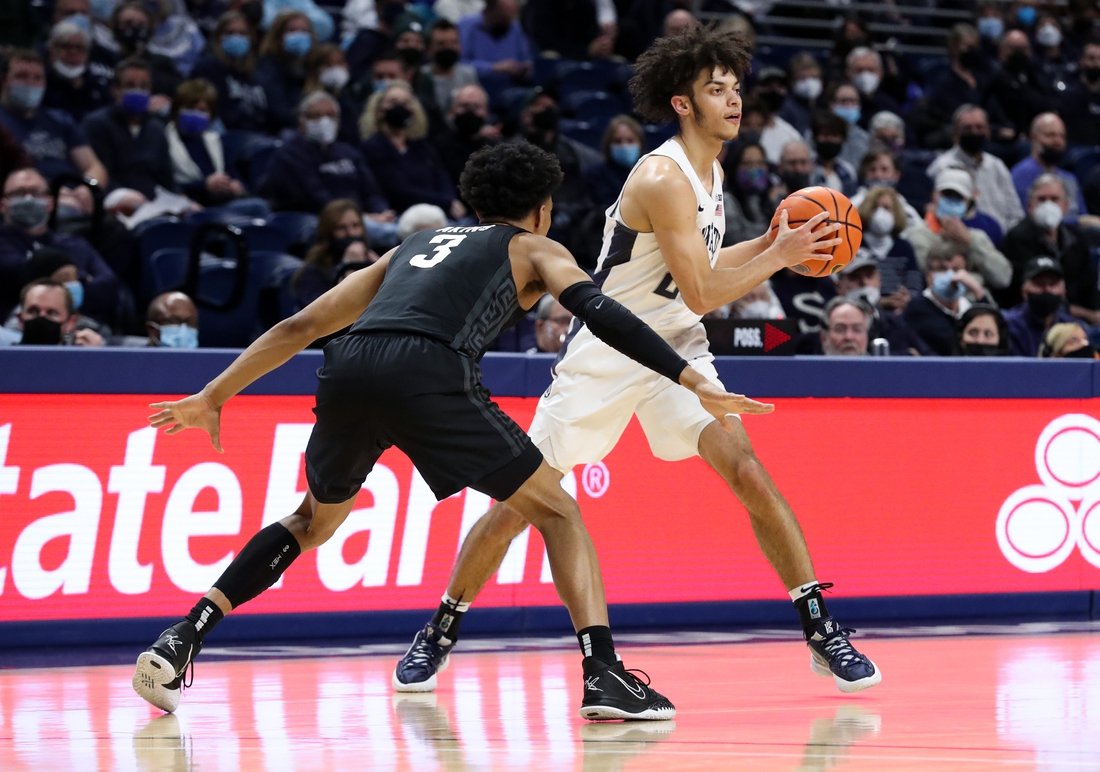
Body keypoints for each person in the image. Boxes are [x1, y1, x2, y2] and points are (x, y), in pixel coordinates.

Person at [132, 141, 770, 720]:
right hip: (429, 371)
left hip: (350, 367)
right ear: (543, 209)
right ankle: (602, 672)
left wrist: (213, 395)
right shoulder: (535, 248)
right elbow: (603, 311)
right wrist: (690, 377)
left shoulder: (414, 245)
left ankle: (182, 636)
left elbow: (300, 327)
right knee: (559, 512)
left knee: (310, 522)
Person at [390, 25, 880, 698]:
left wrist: (769, 242)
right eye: (716, 90)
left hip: (676, 344)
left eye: (735, 88)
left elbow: (697, 274)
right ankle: (442, 626)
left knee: (749, 472)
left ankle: (820, 628)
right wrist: (778, 257)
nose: (733, 100)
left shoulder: (711, 171)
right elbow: (704, 290)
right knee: (519, 504)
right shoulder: (661, 177)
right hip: (610, 348)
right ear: (683, 103)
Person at [0, 168, 120, 323]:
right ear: (3, 205)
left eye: (36, 192)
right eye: (19, 193)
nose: (29, 199)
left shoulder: (74, 244)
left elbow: (109, 286)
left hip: (85, 327)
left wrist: (56, 279)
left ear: (50, 203)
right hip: (17, 327)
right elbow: (14, 279)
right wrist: (80, 280)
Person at [259, 91, 391, 219]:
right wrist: (361, 219)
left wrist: (382, 213)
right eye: (315, 115)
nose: (324, 121)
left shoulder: (349, 152)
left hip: (362, 220)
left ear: (338, 121)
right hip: (318, 221)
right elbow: (315, 198)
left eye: (330, 115)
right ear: (301, 120)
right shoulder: (290, 154)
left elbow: (372, 192)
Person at [0, 49, 109, 189]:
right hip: (24, 194)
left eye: (38, 78)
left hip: (71, 193)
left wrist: (87, 188)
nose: (30, 82)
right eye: (22, 76)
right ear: (4, 80)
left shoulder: (60, 119)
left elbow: (93, 166)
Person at [359, 82, 464, 217]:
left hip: (438, 213)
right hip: (401, 215)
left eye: (406, 103)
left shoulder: (422, 146)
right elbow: (398, 191)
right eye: (393, 102)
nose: (400, 107)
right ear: (379, 111)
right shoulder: (372, 147)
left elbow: (442, 178)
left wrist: (451, 200)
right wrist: (446, 202)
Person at [1001, 174, 1097, 321]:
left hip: (1076, 313)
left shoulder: (1077, 238)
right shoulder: (1017, 238)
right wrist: (1086, 314)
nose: (1048, 205)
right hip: (1035, 314)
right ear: (1030, 206)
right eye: (1042, 199)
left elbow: (1088, 285)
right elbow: (1022, 292)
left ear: (1065, 206)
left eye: (1054, 199)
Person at [908, 168, 1012, 295]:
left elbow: (1003, 278)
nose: (952, 200)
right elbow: (930, 277)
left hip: (975, 303)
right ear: (934, 196)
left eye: (959, 197)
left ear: (968, 203)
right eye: (947, 194)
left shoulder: (976, 237)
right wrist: (979, 279)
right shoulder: (918, 235)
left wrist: (969, 242)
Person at [83, 58, 176, 200]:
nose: (138, 91)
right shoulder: (97, 124)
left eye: (143, 86)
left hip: (155, 203)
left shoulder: (156, 129)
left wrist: (182, 198)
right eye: (130, 85)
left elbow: (167, 178)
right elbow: (101, 175)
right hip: (113, 201)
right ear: (115, 90)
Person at [925, 105, 1024, 234]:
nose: (974, 132)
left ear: (988, 132)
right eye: (968, 128)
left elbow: (1015, 212)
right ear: (955, 133)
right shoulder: (941, 167)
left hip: (1002, 238)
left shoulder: (996, 165)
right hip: (960, 237)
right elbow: (934, 211)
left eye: (979, 127)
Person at [515, 88, 600, 236]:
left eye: (551, 107)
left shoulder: (570, 151)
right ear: (526, 115)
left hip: (571, 222)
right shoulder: (512, 150)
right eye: (541, 106)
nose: (548, 110)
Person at [903, 238, 993, 355]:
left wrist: (978, 291)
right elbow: (950, 342)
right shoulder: (917, 307)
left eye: (957, 269)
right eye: (942, 269)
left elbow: (995, 334)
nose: (951, 277)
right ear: (929, 276)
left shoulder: (969, 307)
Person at [831, 251, 930, 355]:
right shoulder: (829, 322)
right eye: (854, 277)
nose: (864, 282)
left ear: (879, 281)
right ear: (838, 286)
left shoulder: (895, 323)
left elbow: (928, 357)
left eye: (869, 276)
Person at [191, 11, 272, 134]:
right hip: (225, 135)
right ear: (218, 37)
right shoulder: (208, 67)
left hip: (260, 135)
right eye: (230, 33)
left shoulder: (258, 70)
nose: (236, 38)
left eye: (242, 33)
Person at [290, 198, 375, 309]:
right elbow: (323, 313)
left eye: (356, 225)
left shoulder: (372, 259)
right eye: (341, 228)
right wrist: (347, 269)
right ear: (328, 232)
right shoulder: (313, 271)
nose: (351, 233)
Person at [1010, 113, 1088, 220]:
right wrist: (1079, 222)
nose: (1057, 141)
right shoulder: (1021, 174)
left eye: (1062, 136)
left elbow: (1082, 216)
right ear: (1033, 138)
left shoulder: (1070, 179)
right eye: (1051, 135)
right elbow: (1023, 218)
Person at [109, 1, 183, 109]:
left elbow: (182, 98)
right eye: (128, 23)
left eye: (141, 25)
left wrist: (167, 103)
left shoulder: (163, 65)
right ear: (116, 27)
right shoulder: (105, 60)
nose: (134, 28)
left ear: (150, 29)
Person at [854, 186, 920, 303]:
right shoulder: (855, 244)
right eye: (875, 208)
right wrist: (881, 302)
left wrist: (907, 299)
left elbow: (915, 286)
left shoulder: (904, 247)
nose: (880, 213)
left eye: (887, 208)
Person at [1003, 257, 1078, 356]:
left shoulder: (1074, 329)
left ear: (1063, 292)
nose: (1047, 289)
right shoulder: (1008, 326)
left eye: (1053, 284)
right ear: (1024, 292)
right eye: (1039, 284)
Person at [989, 30, 1054, 143]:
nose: (1019, 53)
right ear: (1002, 51)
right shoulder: (994, 78)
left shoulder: (1036, 75)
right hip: (1007, 136)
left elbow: (1047, 102)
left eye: (1023, 49)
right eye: (1014, 49)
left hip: (1036, 133)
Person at [42, 20, 114, 123]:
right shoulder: (40, 82)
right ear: (52, 49)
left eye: (80, 48)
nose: (73, 52)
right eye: (66, 46)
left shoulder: (98, 87)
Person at [255, 11, 316, 131]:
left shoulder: (312, 67)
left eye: (304, 31)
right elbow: (279, 112)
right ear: (278, 37)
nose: (299, 35)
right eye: (292, 31)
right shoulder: (267, 67)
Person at [433, 84, 500, 192]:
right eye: (464, 106)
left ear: (486, 112)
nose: (470, 112)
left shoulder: (496, 150)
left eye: (476, 107)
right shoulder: (437, 147)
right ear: (452, 111)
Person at [457, 0, 532, 84]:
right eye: (503, 17)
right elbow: (459, 65)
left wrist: (523, 67)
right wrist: (493, 68)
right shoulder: (466, 26)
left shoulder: (515, 27)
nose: (507, 22)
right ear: (488, 11)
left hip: (511, 84)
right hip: (476, 84)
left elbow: (526, 59)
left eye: (511, 17)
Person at [302, 43, 364, 145]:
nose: (336, 68)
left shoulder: (353, 94)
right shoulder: (308, 100)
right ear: (315, 69)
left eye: (340, 62)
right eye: (328, 65)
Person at [13, 278, 104, 346]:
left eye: (52, 313)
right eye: (33, 311)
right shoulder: (6, 360)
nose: (42, 316)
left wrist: (93, 358)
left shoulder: (78, 362)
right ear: (20, 319)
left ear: (70, 322)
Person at [583, 115, 646, 213]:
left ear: (640, 144)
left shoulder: (651, 173)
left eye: (630, 140)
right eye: (618, 141)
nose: (624, 146)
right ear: (608, 145)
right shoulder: (596, 173)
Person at [721, 141, 777, 246]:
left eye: (759, 163)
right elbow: (737, 242)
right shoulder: (726, 201)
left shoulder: (772, 199)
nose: (754, 169)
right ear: (735, 167)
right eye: (747, 164)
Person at [424, 18, 479, 114]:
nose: (448, 47)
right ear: (429, 49)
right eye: (441, 44)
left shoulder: (468, 75)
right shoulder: (422, 76)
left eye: (453, 43)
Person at [524, 0, 607, 62]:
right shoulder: (542, 5)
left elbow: (591, 36)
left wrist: (600, 46)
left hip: (583, 56)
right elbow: (547, 42)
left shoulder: (586, 5)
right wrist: (586, 50)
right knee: (551, 56)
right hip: (554, 56)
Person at [754, 67, 801, 165]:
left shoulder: (791, 134)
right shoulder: (740, 127)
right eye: (768, 85)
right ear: (755, 90)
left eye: (779, 86)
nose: (774, 90)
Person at [1061, 37, 1100, 147]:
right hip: (1076, 148)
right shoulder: (1069, 92)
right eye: (1091, 58)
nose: (1096, 63)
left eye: (1099, 59)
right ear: (1082, 60)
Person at [846, 47, 900, 125]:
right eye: (859, 70)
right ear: (848, 73)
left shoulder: (889, 105)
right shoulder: (843, 101)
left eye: (871, 70)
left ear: (880, 73)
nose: (865, 75)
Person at [809, 111, 857, 197]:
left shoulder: (847, 171)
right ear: (815, 138)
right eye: (825, 135)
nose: (829, 140)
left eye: (834, 135)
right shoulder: (807, 168)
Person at [779, 52, 824, 137]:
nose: (810, 83)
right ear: (792, 81)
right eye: (803, 78)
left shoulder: (824, 106)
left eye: (814, 77)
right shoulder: (785, 108)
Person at [826, 82, 869, 169]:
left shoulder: (864, 137)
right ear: (831, 104)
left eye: (853, 101)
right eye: (844, 101)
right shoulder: (819, 135)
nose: (849, 105)